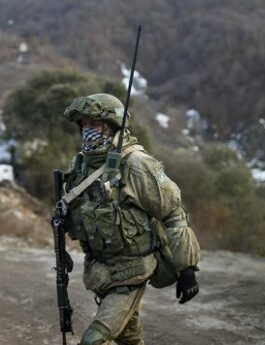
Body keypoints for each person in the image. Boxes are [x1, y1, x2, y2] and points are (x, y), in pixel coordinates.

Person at [61, 93, 201, 345]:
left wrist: (186, 269)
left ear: (112, 126)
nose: (87, 131)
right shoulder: (81, 165)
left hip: (133, 270)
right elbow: (78, 213)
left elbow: (173, 214)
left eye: (95, 124)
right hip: (101, 272)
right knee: (129, 337)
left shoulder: (136, 164)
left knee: (94, 339)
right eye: (84, 125)